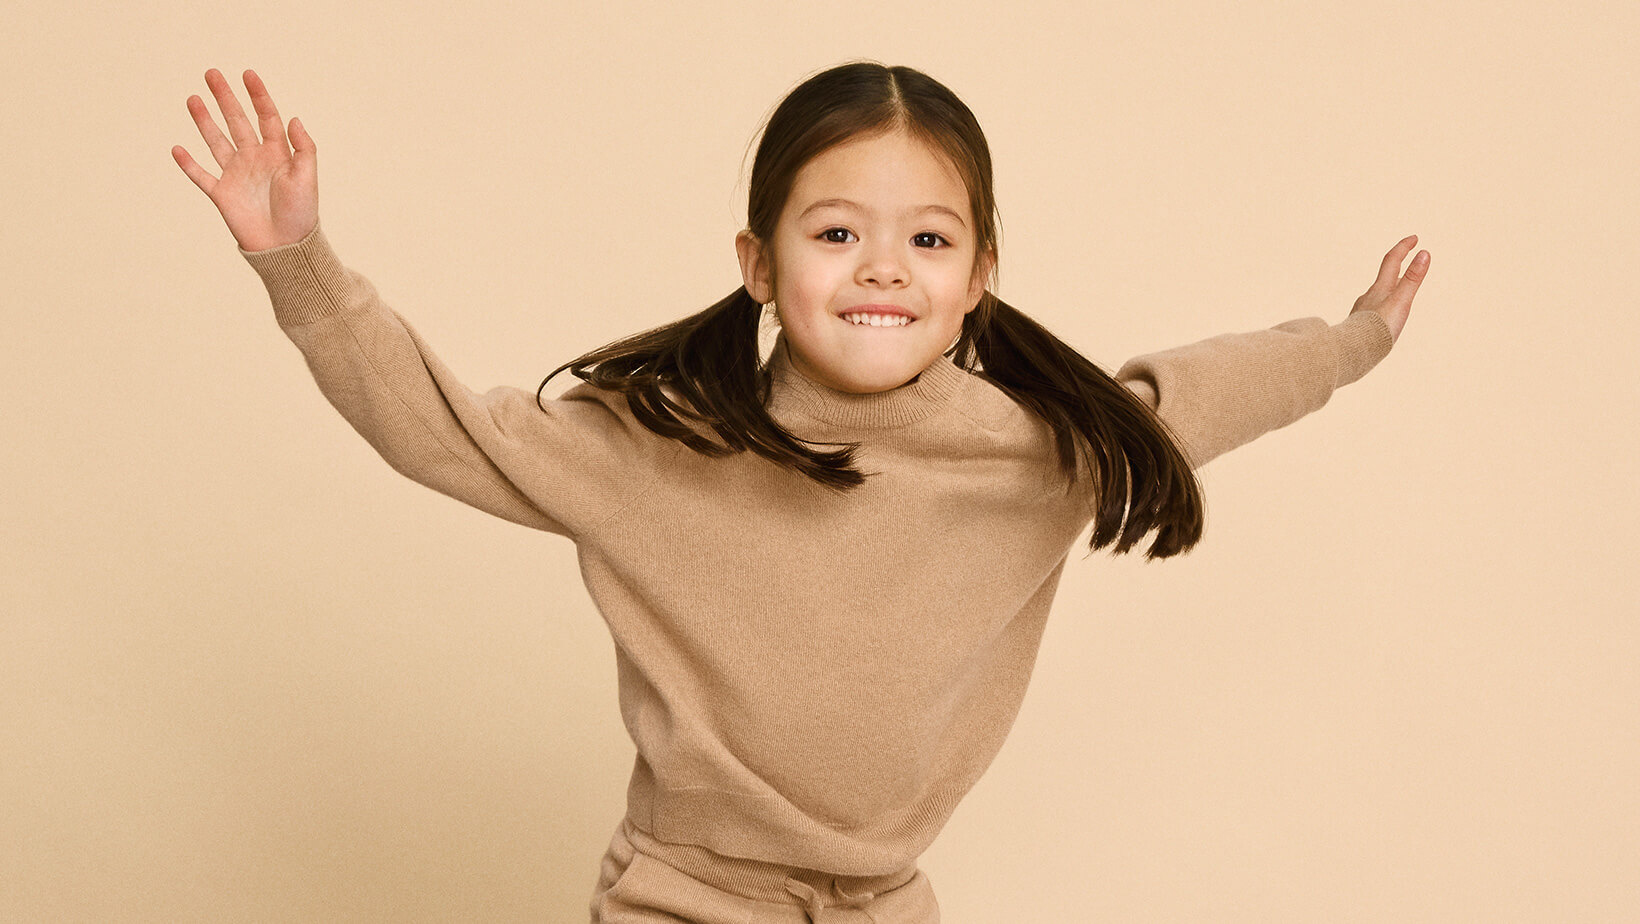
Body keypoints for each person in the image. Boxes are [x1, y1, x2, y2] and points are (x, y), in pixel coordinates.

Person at [174, 62, 1429, 923]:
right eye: (835, 233)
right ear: (758, 263)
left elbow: (1201, 394)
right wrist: (298, 260)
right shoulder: (662, 442)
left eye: (927, 240)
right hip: (681, 901)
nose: (882, 265)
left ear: (978, 274)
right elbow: (439, 429)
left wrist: (1352, 337)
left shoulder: (1037, 455)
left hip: (882, 906)